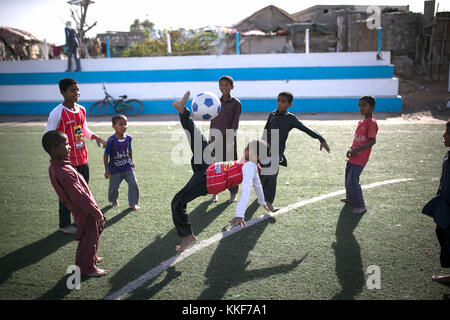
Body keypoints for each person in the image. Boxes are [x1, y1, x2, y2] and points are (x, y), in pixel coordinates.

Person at [171, 91, 271, 252]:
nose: (245, 149)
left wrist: (240, 214)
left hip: (208, 181)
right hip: (210, 167)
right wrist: (262, 202)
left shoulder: (248, 167)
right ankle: (183, 111)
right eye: (246, 146)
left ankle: (188, 235)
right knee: (198, 140)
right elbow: (258, 186)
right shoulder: (249, 164)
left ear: (258, 155)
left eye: (248, 148)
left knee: (177, 202)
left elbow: (246, 191)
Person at [42, 130, 109, 277]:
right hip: (85, 210)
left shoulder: (59, 165)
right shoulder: (63, 171)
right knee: (89, 236)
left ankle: (90, 257)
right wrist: (96, 212)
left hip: (82, 209)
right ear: (54, 149)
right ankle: (86, 268)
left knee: (92, 233)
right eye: (65, 144)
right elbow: (80, 196)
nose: (69, 146)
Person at [45, 78, 106, 234]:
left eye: (77, 89)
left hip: (82, 158)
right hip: (66, 163)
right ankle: (64, 224)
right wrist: (55, 159)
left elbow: (84, 130)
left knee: (83, 191)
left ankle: (80, 218)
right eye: (72, 90)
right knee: (67, 194)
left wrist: (96, 138)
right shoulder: (57, 113)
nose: (76, 93)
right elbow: (48, 136)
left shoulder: (82, 109)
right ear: (63, 92)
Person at [260, 91, 330, 212]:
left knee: (272, 175)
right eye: (278, 100)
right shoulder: (272, 115)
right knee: (263, 173)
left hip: (277, 151)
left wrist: (321, 138)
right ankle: (261, 196)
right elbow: (265, 131)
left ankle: (270, 203)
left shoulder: (290, 119)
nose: (280, 103)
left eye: (283, 101)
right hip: (265, 149)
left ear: (290, 104)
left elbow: (306, 129)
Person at [422, 120, 450, 283]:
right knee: (442, 232)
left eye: (447, 133)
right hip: (445, 205)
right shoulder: (448, 155)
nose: (443, 135)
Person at [341, 96, 378, 214]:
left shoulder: (371, 123)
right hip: (353, 156)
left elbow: (372, 141)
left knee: (353, 181)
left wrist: (358, 150)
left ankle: (361, 206)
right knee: (348, 178)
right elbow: (358, 139)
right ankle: (350, 197)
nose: (361, 108)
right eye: (359, 105)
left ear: (372, 107)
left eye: (364, 105)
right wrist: (352, 149)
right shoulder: (361, 122)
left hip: (360, 158)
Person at [208, 76, 242, 203]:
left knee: (230, 168)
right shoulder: (214, 102)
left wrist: (230, 140)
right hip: (215, 139)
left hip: (228, 139)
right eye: (221, 85)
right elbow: (212, 122)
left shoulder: (236, 103)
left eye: (227, 85)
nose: (224, 87)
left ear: (232, 87)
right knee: (215, 167)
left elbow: (235, 123)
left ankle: (233, 195)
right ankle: (215, 193)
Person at [104, 114, 140, 210]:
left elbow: (130, 149)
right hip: (115, 168)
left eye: (125, 124)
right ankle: (114, 199)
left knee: (133, 183)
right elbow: (105, 155)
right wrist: (107, 170)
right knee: (114, 187)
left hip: (127, 166)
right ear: (113, 126)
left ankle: (133, 203)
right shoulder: (111, 140)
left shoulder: (128, 138)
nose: (123, 126)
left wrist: (131, 161)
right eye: (120, 124)